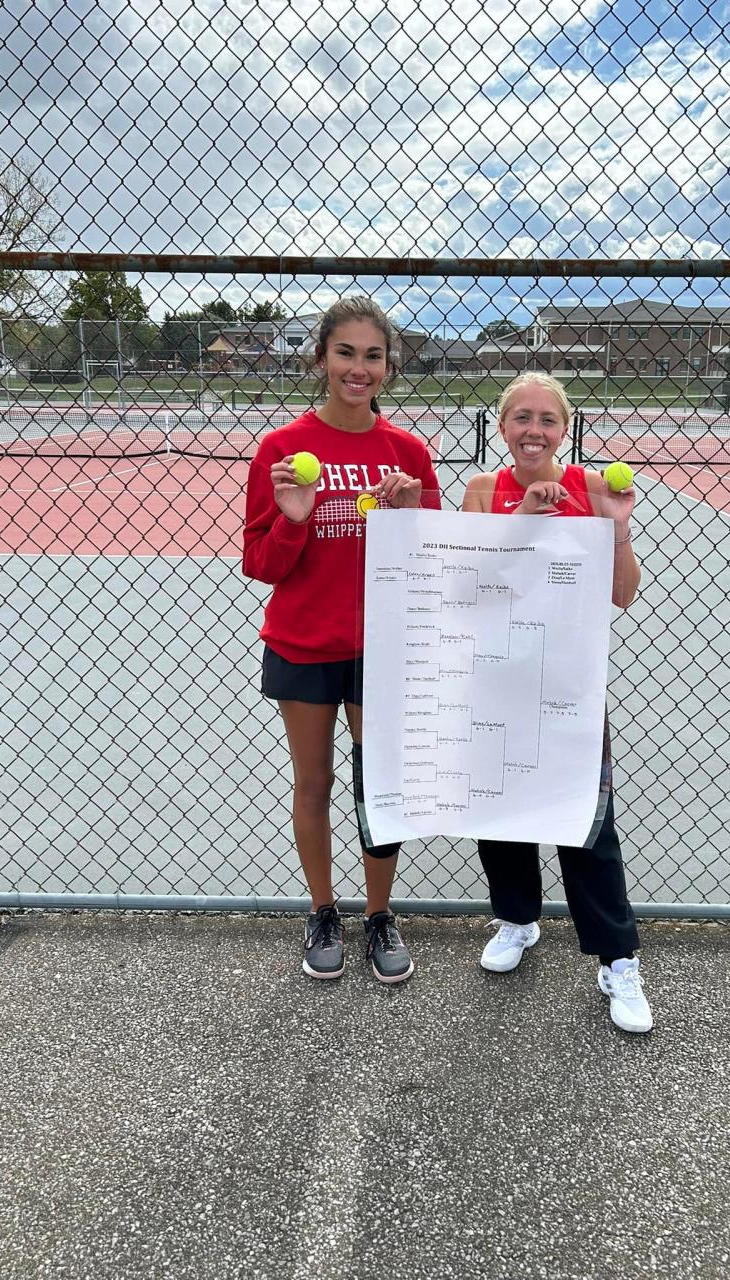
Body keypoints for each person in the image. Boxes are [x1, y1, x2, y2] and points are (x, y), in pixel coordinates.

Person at [243, 296, 441, 984]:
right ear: (322, 358)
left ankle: (379, 915)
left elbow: (434, 563)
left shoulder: (408, 452)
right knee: (314, 782)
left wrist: (411, 514)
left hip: (381, 650)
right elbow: (261, 564)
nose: (359, 368)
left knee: (378, 785)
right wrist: (295, 517)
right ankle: (323, 910)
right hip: (302, 644)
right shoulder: (281, 450)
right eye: (346, 353)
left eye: (373, 355)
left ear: (389, 365)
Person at [461, 372, 652, 1033]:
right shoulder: (483, 491)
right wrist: (517, 523)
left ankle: (617, 958)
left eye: (547, 419)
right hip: (499, 678)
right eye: (522, 418)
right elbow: (471, 589)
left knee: (588, 824)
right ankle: (517, 919)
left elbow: (622, 593)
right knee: (503, 809)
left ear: (563, 430)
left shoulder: (592, 488)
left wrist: (616, 529)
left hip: (569, 685)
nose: (534, 430)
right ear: (503, 426)